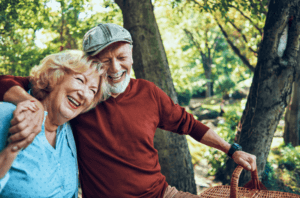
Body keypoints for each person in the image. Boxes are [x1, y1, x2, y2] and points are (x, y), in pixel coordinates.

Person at [0, 23, 256, 198]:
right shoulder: (78, 100)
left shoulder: (149, 92)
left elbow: (189, 124)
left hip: (161, 194)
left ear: (132, 55)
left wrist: (231, 150)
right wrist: (27, 102)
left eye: (121, 57)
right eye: (104, 61)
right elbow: (19, 82)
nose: (114, 68)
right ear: (91, 65)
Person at [0, 50, 106, 198]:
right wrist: (13, 148)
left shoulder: (69, 132)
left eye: (92, 91)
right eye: (80, 80)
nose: (84, 94)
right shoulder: (6, 115)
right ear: (55, 76)